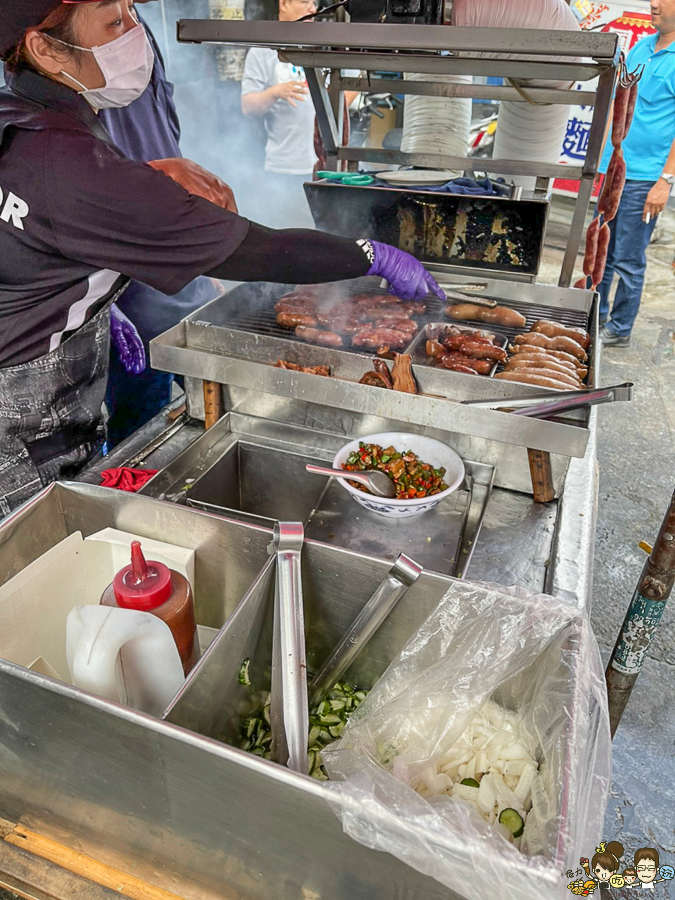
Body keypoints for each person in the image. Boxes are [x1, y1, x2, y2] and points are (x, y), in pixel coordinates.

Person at [0, 0, 443, 516]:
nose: (135, 33)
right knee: (40, 563)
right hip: (23, 435)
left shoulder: (23, 119)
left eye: (132, 13)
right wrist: (372, 255)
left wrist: (79, 281)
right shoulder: (70, 164)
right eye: (114, 21)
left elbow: (39, 219)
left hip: (37, 384)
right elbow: (255, 251)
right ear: (46, 49)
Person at [98, 1, 222, 446]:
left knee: (159, 437)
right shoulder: (48, 36)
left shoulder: (141, 29)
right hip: (104, 294)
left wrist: (196, 261)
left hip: (166, 288)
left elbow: (165, 141)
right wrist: (94, 298)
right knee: (113, 452)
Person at [596, 0, 675, 347]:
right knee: (602, 251)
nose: (653, 3)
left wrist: (666, 180)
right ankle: (594, 316)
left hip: (645, 176)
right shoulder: (642, 46)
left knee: (628, 256)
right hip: (613, 168)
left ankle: (619, 327)